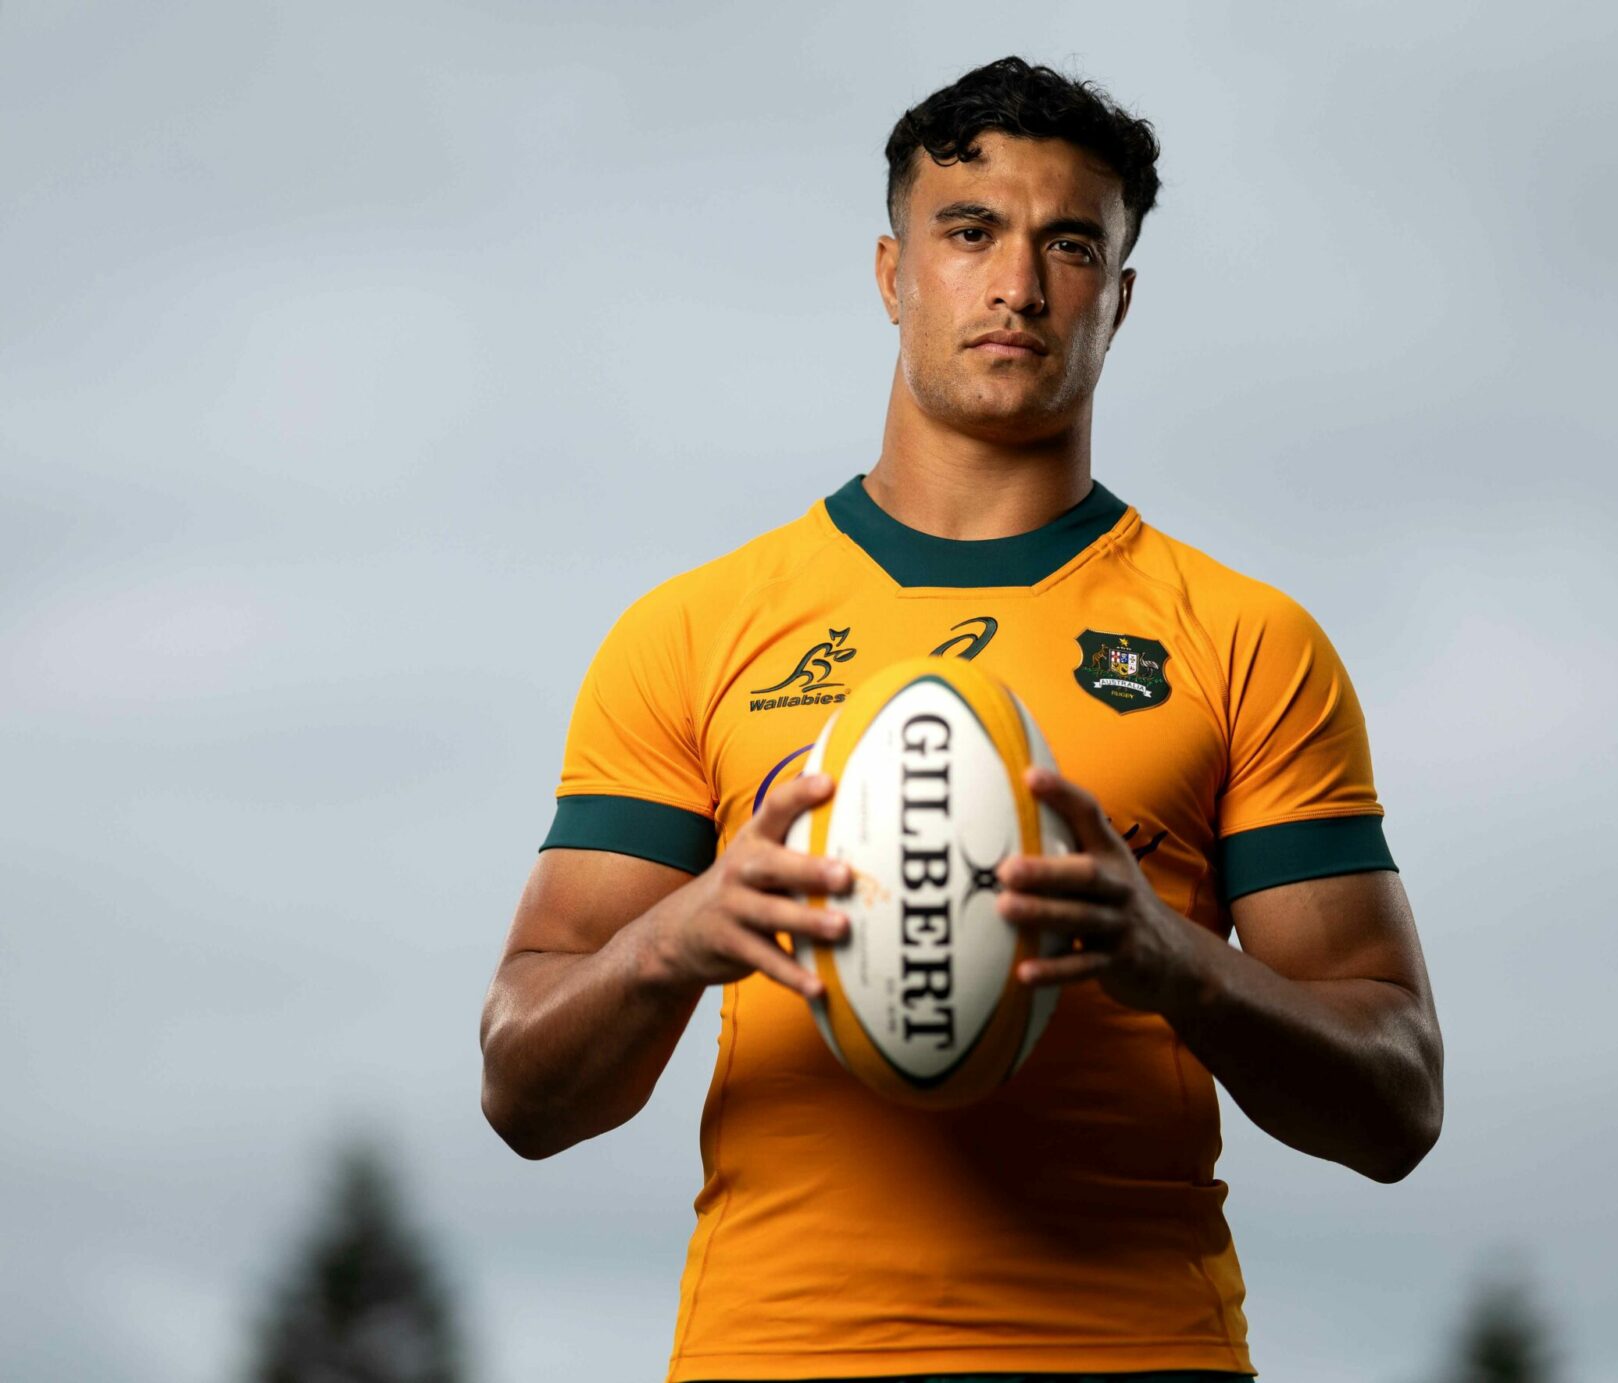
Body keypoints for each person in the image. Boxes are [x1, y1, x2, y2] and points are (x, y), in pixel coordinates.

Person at [480, 55, 1443, 1383]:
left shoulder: (1244, 641)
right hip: (778, 1357)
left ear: (1119, 295)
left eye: (1070, 245)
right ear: (892, 274)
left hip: (1134, 1355)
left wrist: (1172, 960)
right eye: (970, 232)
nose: (1018, 285)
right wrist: (676, 938)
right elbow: (520, 1090)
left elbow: (1398, 1098)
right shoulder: (694, 631)